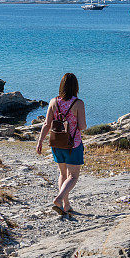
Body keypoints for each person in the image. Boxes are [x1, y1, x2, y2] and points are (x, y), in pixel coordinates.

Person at [36, 72, 86, 215]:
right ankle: (59, 199)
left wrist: (40, 141)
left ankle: (66, 205)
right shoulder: (78, 103)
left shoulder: (53, 102)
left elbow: (46, 124)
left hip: (56, 143)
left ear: (61, 86)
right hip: (73, 144)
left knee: (63, 174)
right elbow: (82, 126)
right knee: (73, 176)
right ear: (76, 86)